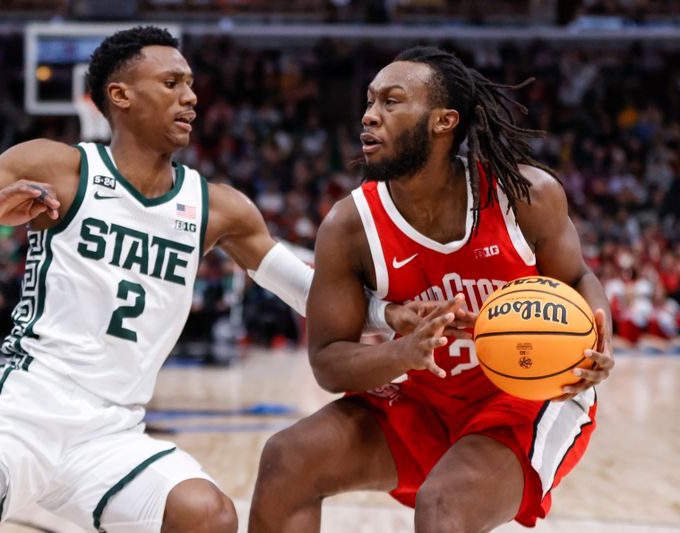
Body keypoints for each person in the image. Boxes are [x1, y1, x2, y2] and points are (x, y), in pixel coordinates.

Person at [0, 27, 404, 533]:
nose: (191, 97)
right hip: (18, 417)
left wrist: (384, 315)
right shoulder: (61, 167)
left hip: (112, 433)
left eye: (191, 84)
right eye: (172, 83)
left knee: (207, 515)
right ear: (121, 96)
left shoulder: (218, 207)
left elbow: (302, 287)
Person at [249, 46, 615, 532]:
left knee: (444, 507)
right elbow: (328, 362)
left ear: (444, 122)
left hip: (528, 395)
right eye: (370, 100)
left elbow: (575, 278)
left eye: (391, 102)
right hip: (428, 397)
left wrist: (596, 330)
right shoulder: (349, 227)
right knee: (288, 459)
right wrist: (406, 352)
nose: (369, 116)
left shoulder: (524, 196)